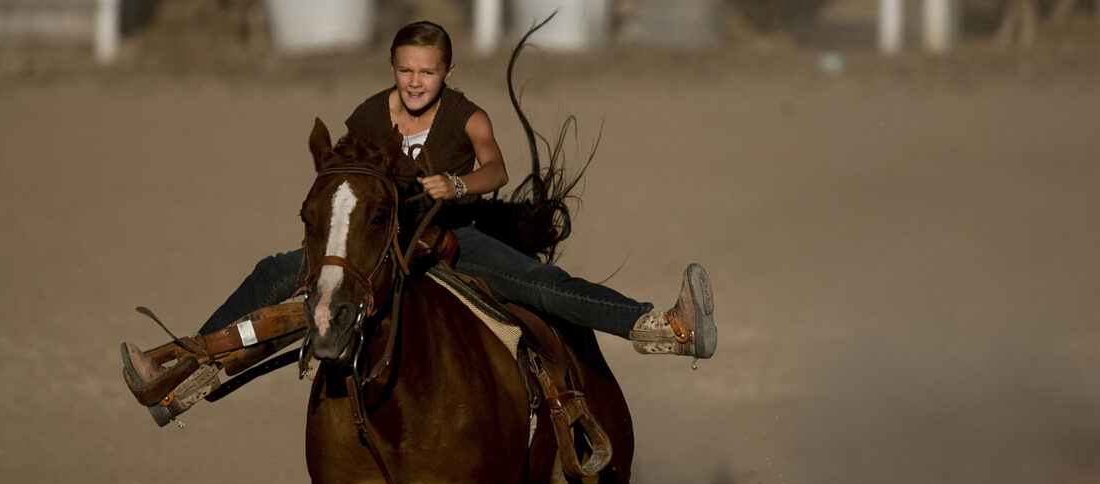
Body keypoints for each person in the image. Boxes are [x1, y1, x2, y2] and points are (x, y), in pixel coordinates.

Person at [122, 20, 717, 426]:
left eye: (427, 73)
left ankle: (662, 329)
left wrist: (456, 185)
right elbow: (348, 178)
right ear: (393, 67)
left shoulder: (467, 117)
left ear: (447, 73)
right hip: (379, 241)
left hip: (456, 240)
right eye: (406, 71)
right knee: (275, 274)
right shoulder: (366, 115)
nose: (414, 82)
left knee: (541, 287)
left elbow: (496, 170)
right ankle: (183, 372)